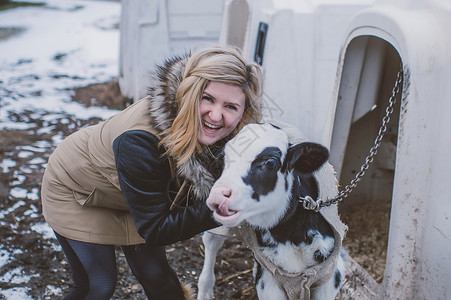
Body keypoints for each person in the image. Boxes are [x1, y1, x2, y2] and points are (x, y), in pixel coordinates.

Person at [40, 45, 263, 300]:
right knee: (97, 285)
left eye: (231, 106)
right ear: (188, 93)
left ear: (243, 112)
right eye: (208, 98)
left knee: (158, 278)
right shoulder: (139, 143)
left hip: (133, 191)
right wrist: (222, 206)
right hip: (78, 187)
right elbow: (156, 229)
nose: (216, 115)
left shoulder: (229, 133)